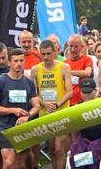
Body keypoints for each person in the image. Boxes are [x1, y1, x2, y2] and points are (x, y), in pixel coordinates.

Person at [0, 48, 40, 169]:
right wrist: (13, 110)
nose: (19, 63)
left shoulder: (29, 82)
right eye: (16, 61)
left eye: (21, 60)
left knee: (23, 161)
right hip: (6, 128)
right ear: (9, 63)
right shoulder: (1, 82)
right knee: (8, 162)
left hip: (23, 128)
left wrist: (27, 115)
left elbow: (36, 106)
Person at [31, 40, 73, 169]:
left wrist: (57, 104)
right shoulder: (35, 70)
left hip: (61, 112)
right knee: (52, 148)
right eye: (43, 54)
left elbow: (70, 92)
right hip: (45, 113)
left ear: (55, 52)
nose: (46, 57)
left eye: (49, 53)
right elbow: (34, 94)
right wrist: (44, 103)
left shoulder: (64, 67)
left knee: (60, 148)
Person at [69, 78, 101, 169]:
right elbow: (74, 129)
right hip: (86, 138)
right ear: (80, 92)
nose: (86, 95)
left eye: (89, 92)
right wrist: (75, 141)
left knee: (94, 147)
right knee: (76, 147)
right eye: (84, 92)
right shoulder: (77, 108)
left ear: (95, 91)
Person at [65, 35, 93, 105]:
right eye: (71, 46)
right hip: (68, 102)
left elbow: (87, 73)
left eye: (76, 46)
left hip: (81, 102)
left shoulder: (87, 60)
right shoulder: (64, 63)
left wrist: (69, 72)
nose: (73, 49)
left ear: (82, 47)